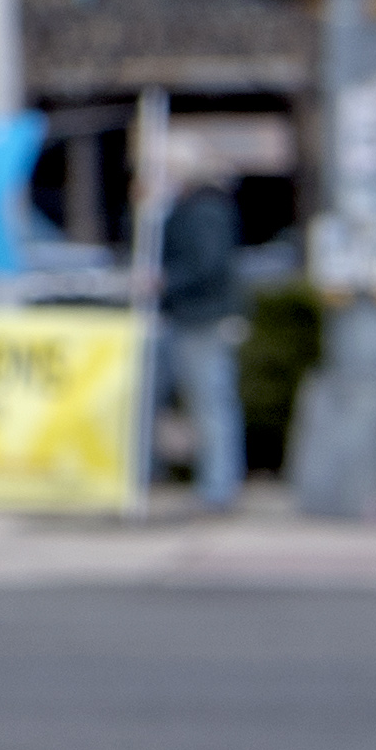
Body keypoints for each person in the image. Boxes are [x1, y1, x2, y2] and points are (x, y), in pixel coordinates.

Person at [153, 178, 249, 514]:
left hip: (202, 318)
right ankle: (202, 481)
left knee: (210, 403)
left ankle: (217, 488)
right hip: (189, 317)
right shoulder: (191, 208)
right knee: (195, 401)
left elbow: (207, 264)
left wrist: (166, 281)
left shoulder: (203, 210)